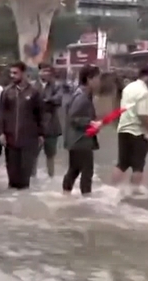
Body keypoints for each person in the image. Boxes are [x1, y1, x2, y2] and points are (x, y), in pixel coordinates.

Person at [111, 66, 148, 195]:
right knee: (138, 166)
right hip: (137, 132)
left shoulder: (128, 88)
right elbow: (144, 116)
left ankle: (112, 191)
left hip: (123, 129)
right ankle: (133, 196)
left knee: (122, 163)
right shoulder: (144, 93)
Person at [0, 61, 44, 190]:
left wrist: (41, 134)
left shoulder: (34, 92)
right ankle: (12, 206)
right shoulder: (7, 92)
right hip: (10, 139)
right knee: (12, 177)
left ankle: (24, 203)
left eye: (15, 73)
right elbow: (1, 114)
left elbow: (40, 114)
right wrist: (1, 133)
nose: (12, 75)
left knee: (24, 177)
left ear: (23, 73)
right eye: (11, 73)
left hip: (29, 139)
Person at [62, 65, 101, 197]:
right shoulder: (82, 97)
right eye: (97, 78)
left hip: (76, 140)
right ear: (89, 79)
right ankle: (86, 200)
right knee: (87, 172)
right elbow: (73, 118)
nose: (99, 82)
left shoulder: (81, 94)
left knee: (74, 170)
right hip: (80, 141)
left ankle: (66, 195)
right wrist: (90, 123)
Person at [34, 63, 64, 178]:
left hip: (52, 126)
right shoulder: (33, 86)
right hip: (35, 127)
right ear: (39, 72)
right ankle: (32, 179)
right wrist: (46, 102)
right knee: (33, 156)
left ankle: (51, 178)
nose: (45, 73)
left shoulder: (56, 86)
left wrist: (45, 101)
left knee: (50, 155)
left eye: (48, 71)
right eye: (43, 71)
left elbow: (58, 100)